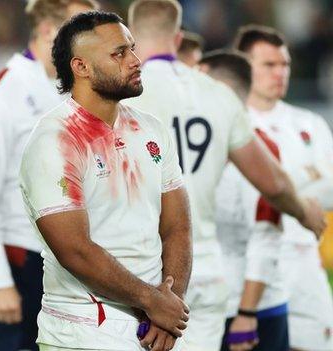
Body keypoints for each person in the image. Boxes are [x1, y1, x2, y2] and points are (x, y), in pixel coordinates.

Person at [125, 1, 325, 350]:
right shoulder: (216, 94)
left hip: (144, 268)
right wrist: (302, 210)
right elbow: (273, 182)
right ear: (178, 36)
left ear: (131, 40)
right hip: (203, 266)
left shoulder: (124, 96)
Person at [21, 11, 192, 351]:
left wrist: (170, 302)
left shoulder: (150, 129)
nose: (135, 60)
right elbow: (76, 251)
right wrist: (153, 301)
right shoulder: (54, 141)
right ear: (80, 67)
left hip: (156, 328)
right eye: (119, 53)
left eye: (132, 48)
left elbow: (178, 227)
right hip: (84, 331)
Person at [0, 1, 98, 350]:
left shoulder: (79, 91)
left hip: (78, 258)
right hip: (24, 261)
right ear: (50, 31)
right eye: (83, 31)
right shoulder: (2, 94)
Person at [234, 24, 333, 351]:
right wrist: (306, 176)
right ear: (245, 66)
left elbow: (330, 189)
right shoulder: (233, 122)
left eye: (285, 65)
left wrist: (277, 182)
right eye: (269, 65)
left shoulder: (309, 123)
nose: (280, 73)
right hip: (250, 266)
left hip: (305, 261)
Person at [200, 50, 290, 351]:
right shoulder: (194, 139)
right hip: (204, 303)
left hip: (252, 309)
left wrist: (247, 312)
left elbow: (267, 234)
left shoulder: (261, 147)